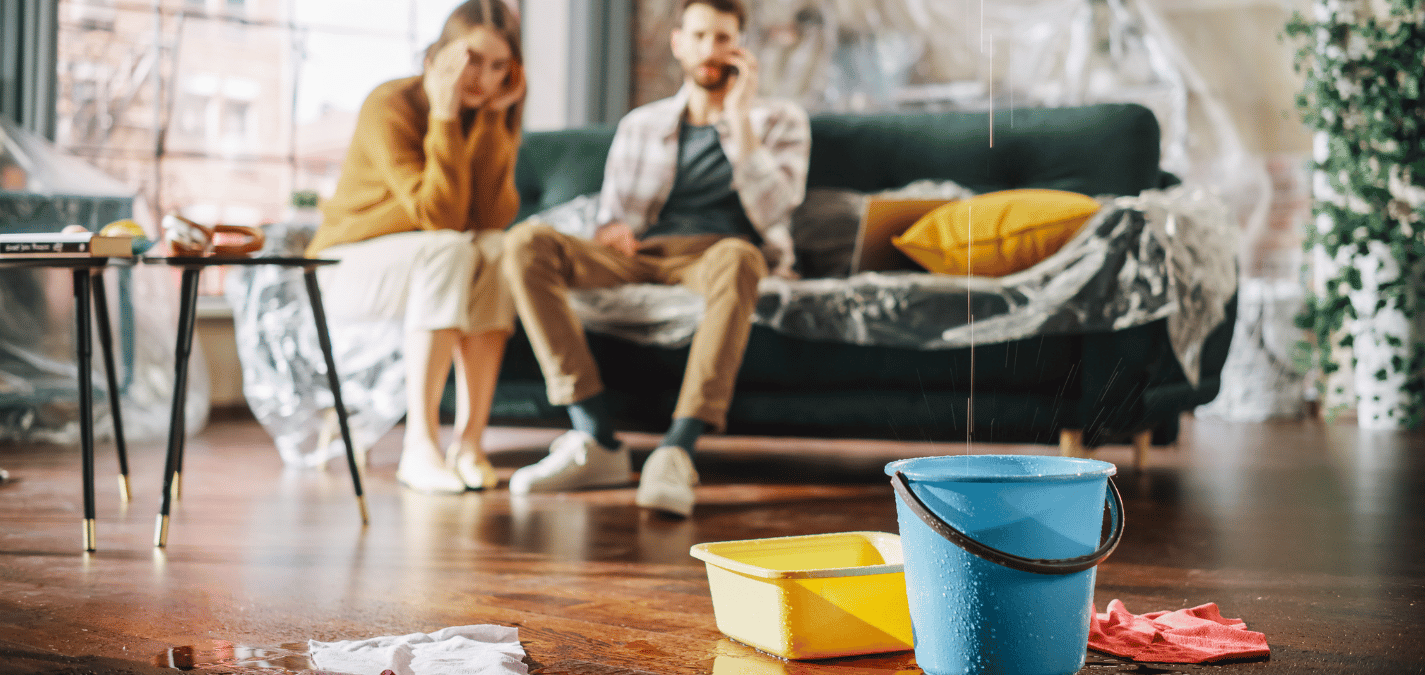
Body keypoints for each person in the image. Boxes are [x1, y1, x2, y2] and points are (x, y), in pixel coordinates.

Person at [501, 0, 810, 517]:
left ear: (740, 48)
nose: (710, 50)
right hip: (644, 254)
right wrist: (610, 230)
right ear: (678, 43)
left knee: (739, 255)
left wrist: (739, 123)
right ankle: (595, 436)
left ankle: (677, 450)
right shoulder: (642, 125)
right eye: (700, 35)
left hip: (719, 256)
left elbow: (779, 207)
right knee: (524, 243)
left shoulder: (779, 121)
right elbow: (613, 216)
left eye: (723, 38)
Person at [305, 0, 525, 494]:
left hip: (428, 261)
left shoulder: (488, 113)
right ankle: (419, 447)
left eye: (497, 67)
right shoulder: (391, 104)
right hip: (346, 266)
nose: (482, 79)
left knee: (497, 249)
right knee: (449, 247)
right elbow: (441, 217)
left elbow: (490, 219)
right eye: (471, 61)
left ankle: (469, 442)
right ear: (436, 57)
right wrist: (444, 117)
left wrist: (492, 122)